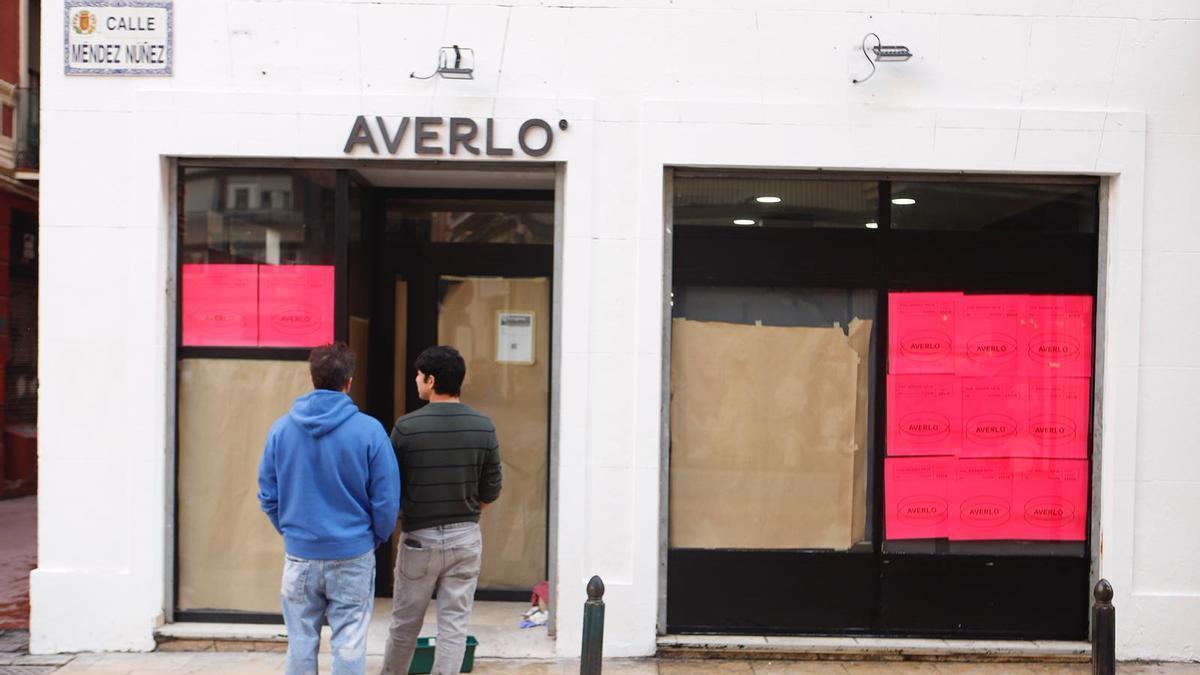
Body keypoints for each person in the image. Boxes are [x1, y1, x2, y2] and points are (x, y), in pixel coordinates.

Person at [257, 342, 400, 675]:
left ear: (312, 378)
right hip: (353, 553)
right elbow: (386, 500)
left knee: (301, 643)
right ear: (348, 381)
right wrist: (373, 538)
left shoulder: (281, 429)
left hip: (300, 555)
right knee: (349, 643)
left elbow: (268, 494)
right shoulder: (370, 431)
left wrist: (291, 530)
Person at [381, 345, 502, 675]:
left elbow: (390, 486)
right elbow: (491, 489)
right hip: (466, 537)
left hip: (419, 538)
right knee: (454, 628)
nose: (415, 380)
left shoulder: (406, 428)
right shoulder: (483, 426)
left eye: (419, 376)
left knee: (405, 626)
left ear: (431, 380)